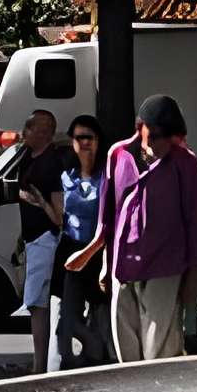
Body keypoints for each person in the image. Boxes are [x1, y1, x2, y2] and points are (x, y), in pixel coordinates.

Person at [99, 94, 197, 363]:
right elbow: (108, 215)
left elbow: (195, 221)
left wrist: (195, 270)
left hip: (165, 268)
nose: (162, 145)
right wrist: (104, 262)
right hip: (123, 268)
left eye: (169, 138)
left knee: (159, 352)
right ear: (141, 127)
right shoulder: (118, 154)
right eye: (157, 135)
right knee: (126, 351)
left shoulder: (186, 163)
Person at [9, 107, 75, 374]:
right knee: (38, 303)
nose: (23, 133)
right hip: (32, 240)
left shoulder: (50, 164)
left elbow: (59, 215)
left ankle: (41, 365)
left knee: (39, 304)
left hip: (44, 240)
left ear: (43, 132)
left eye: (29, 128)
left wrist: (40, 202)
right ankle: (44, 361)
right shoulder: (27, 158)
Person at [49, 115, 110, 370]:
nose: (84, 143)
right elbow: (59, 215)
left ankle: (100, 358)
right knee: (67, 316)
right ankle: (67, 362)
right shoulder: (66, 176)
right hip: (72, 250)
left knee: (101, 313)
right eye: (78, 137)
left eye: (89, 137)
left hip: (99, 250)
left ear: (98, 141)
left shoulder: (107, 176)